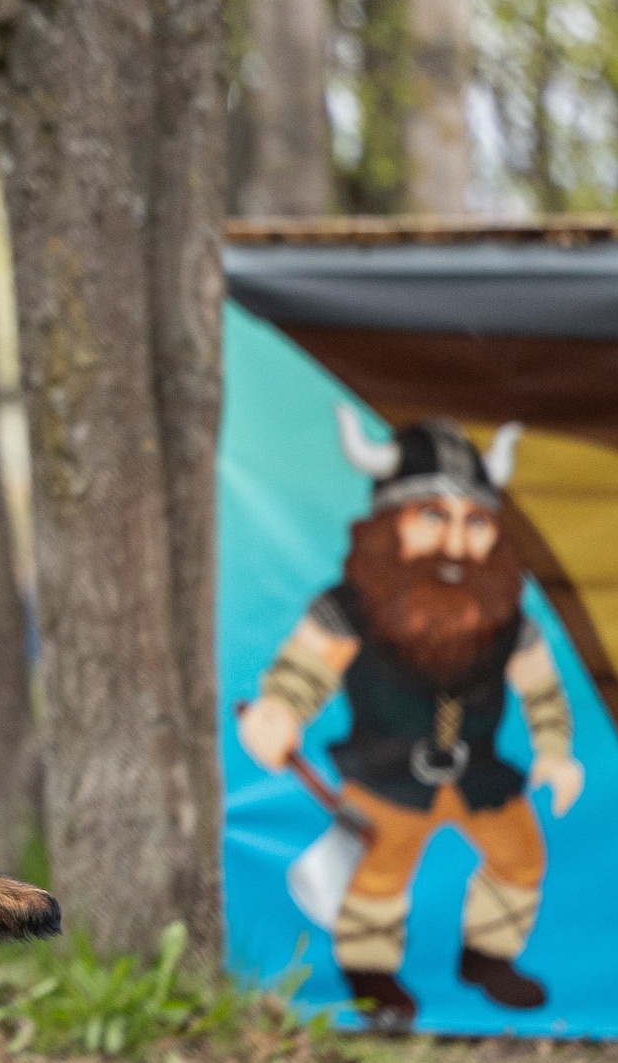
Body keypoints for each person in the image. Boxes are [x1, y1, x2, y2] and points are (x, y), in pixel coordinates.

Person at [238, 410, 584, 1031]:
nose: (455, 542)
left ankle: (488, 958)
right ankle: (372, 979)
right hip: (387, 777)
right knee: (376, 877)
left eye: (475, 521)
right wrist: (278, 713)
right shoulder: (349, 609)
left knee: (520, 859)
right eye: (432, 516)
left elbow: (542, 694)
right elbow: (301, 674)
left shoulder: (507, 619)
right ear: (388, 524)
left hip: (481, 776)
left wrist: (555, 753)